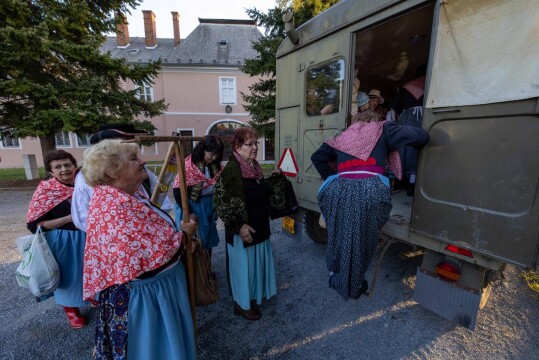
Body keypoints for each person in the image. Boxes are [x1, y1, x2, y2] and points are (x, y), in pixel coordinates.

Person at [81, 139, 196, 360]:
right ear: (112, 171)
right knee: (156, 350)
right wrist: (183, 237)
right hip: (148, 297)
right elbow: (144, 260)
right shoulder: (117, 206)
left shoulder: (126, 195)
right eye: (133, 158)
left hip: (154, 291)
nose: (142, 161)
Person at [311, 108, 429, 300]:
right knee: (363, 240)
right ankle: (354, 284)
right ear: (375, 121)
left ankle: (335, 273)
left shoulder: (342, 136)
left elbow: (317, 158)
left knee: (338, 234)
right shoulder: (383, 128)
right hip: (370, 190)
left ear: (355, 122)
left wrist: (335, 177)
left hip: (338, 190)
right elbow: (422, 137)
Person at [213, 127, 277, 321]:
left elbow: (261, 195)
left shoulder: (255, 168)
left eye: (256, 143)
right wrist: (239, 225)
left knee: (254, 268)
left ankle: (252, 296)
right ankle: (241, 305)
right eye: (250, 144)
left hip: (259, 226)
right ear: (237, 147)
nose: (255, 147)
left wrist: (274, 180)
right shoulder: (231, 171)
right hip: (243, 232)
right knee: (242, 270)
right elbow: (221, 202)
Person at [26, 150, 89, 329]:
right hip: (63, 239)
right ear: (51, 172)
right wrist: (70, 218)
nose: (64, 169)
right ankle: (71, 309)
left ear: (74, 165)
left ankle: (93, 297)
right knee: (69, 276)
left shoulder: (86, 182)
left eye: (67, 164)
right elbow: (34, 225)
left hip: (90, 236)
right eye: (58, 167)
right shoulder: (46, 190)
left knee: (92, 270)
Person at [71, 123, 173, 232]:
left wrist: (153, 220)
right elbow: (84, 221)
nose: (135, 145)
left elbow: (160, 195)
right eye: (128, 141)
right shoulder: (87, 181)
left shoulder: (140, 170)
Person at [173, 135, 224, 260]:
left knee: (207, 238)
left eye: (216, 154)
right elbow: (177, 191)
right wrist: (189, 213)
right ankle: (195, 275)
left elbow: (218, 186)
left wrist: (216, 207)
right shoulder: (189, 166)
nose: (213, 157)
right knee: (194, 240)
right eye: (210, 154)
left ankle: (207, 269)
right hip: (192, 205)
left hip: (208, 205)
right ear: (202, 150)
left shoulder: (216, 166)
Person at [390, 64, 427, 195]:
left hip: (406, 119)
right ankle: (412, 184)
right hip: (423, 119)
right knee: (416, 151)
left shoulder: (406, 87)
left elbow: (394, 107)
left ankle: (399, 180)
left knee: (402, 149)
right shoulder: (430, 85)